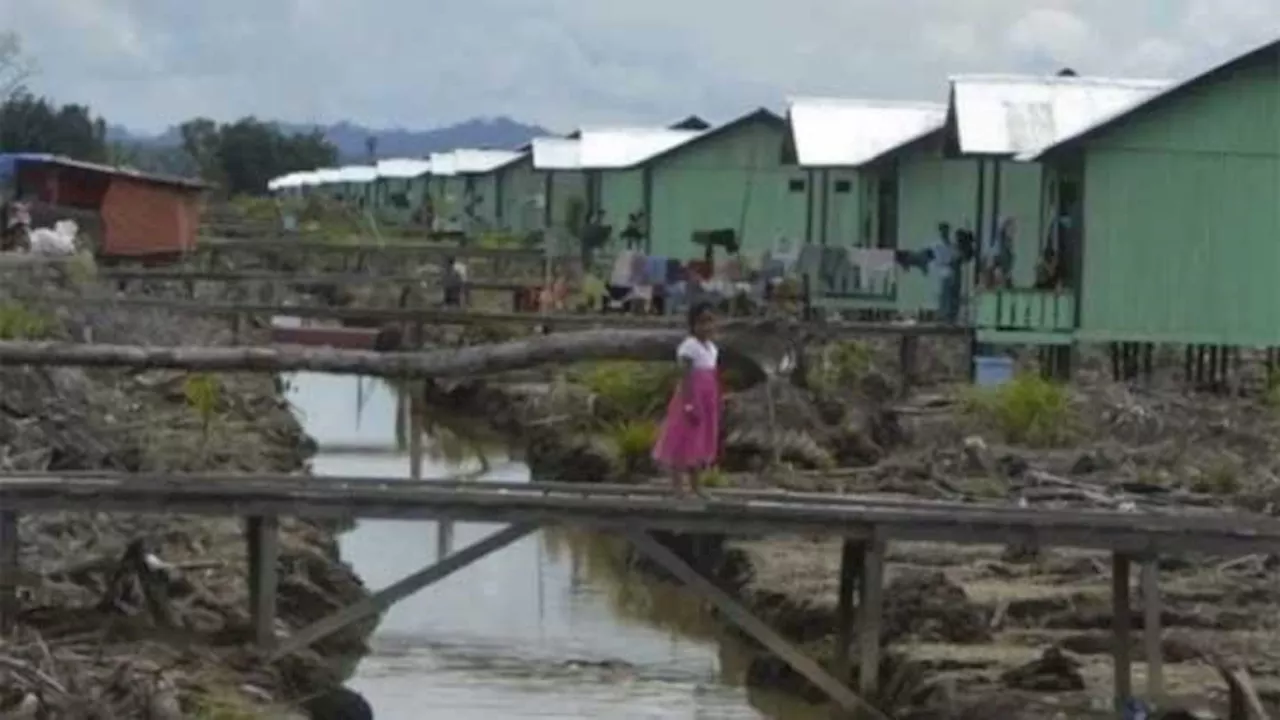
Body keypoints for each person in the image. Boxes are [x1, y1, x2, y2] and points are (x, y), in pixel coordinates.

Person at [651, 303, 721, 497]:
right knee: (683, 439)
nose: (706, 327)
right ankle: (677, 487)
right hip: (691, 398)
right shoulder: (689, 347)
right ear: (693, 324)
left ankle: (696, 486)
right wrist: (689, 403)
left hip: (707, 399)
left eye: (710, 321)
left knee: (700, 442)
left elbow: (712, 375)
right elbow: (686, 376)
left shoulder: (712, 348)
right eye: (701, 322)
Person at [930, 223, 960, 323]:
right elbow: (939, 260)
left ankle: (951, 315)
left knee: (952, 295)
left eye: (946, 231)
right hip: (943, 273)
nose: (945, 233)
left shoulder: (951, 245)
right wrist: (949, 261)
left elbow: (956, 256)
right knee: (944, 294)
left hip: (952, 273)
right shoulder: (938, 246)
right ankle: (943, 315)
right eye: (943, 231)